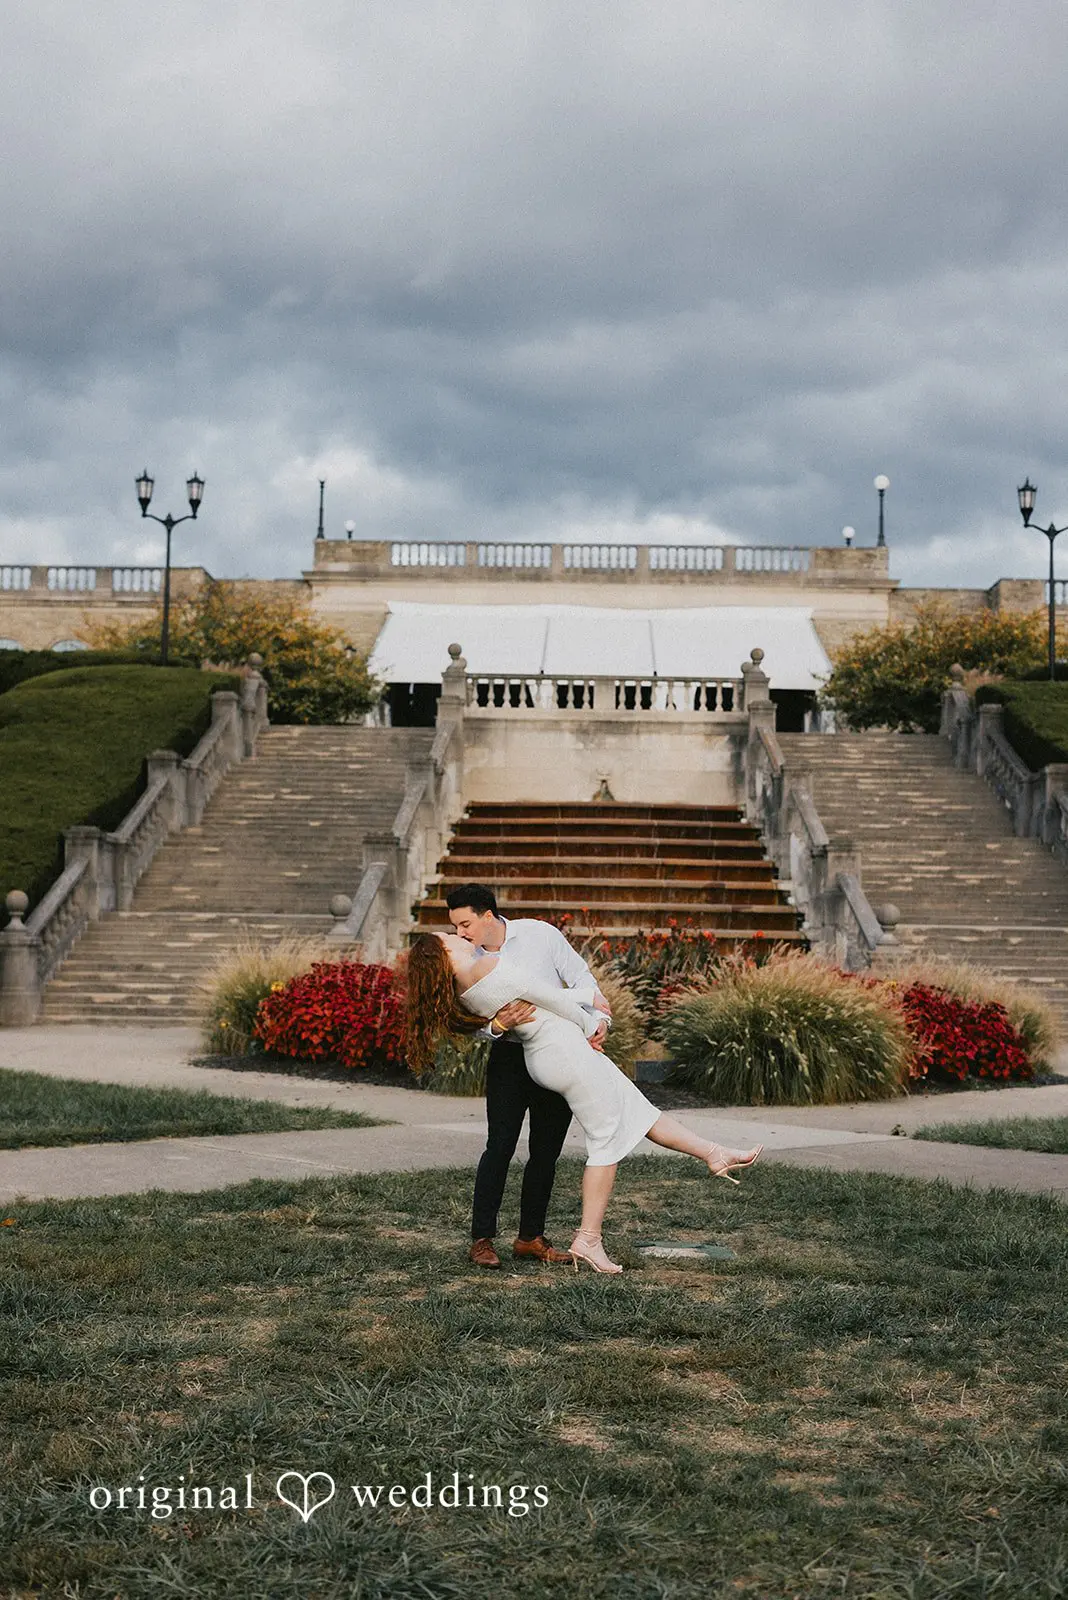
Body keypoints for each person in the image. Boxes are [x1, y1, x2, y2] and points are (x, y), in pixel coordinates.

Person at [406, 928, 762, 1275]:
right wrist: (591, 1022)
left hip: (551, 1052)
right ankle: (588, 1239)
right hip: (562, 1051)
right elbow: (548, 996)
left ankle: (714, 1153)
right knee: (606, 1138)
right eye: (449, 936)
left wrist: (583, 1011)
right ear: (443, 952)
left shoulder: (464, 989)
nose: (458, 936)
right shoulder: (482, 967)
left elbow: (536, 998)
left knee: (638, 1110)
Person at [444, 883, 612, 1271]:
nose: (460, 934)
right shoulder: (466, 962)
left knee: (546, 1151)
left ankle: (530, 1238)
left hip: (559, 1055)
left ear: (488, 915)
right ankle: (482, 1239)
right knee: (498, 1147)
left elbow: (583, 982)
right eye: (455, 927)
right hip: (509, 1058)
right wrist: (496, 1026)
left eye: (465, 924)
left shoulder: (540, 934)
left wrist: (600, 1022)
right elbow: (463, 1022)